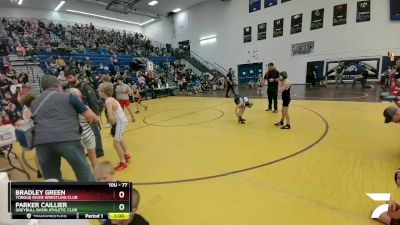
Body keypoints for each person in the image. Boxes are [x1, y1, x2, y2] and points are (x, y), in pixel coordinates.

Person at [31, 75, 97, 181]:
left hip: (42, 142)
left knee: (52, 178)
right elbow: (90, 117)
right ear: (58, 85)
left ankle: (57, 196)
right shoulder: (69, 97)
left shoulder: (34, 103)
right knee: (83, 172)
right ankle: (91, 195)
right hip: (67, 138)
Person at [65, 70, 105, 158]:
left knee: (94, 132)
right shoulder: (69, 87)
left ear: (75, 76)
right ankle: (90, 150)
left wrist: (96, 114)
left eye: (70, 77)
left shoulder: (85, 86)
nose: (69, 80)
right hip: (79, 115)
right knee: (85, 134)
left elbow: (93, 101)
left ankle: (98, 151)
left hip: (89, 113)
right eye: (67, 78)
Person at [98, 82, 131, 171]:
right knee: (119, 139)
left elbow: (111, 117)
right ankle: (127, 155)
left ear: (104, 92)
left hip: (120, 123)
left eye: (99, 91)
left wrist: (111, 124)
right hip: (122, 121)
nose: (98, 92)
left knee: (115, 143)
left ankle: (123, 162)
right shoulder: (111, 99)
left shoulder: (108, 101)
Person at [68, 88, 97, 170]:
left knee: (82, 160)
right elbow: (95, 119)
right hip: (88, 134)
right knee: (93, 157)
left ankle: (87, 177)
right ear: (80, 97)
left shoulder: (67, 109)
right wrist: (89, 121)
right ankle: (97, 178)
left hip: (76, 136)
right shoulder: (85, 107)